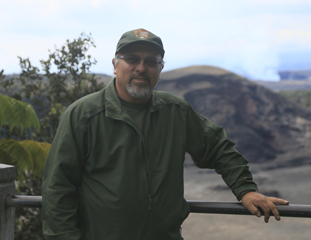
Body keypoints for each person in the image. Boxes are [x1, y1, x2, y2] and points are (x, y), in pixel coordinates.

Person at [42, 28, 289, 240]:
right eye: (132, 59)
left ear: (160, 68)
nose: (141, 68)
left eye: (151, 61)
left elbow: (218, 147)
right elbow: (58, 186)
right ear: (116, 65)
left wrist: (245, 189)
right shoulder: (84, 115)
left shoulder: (175, 112)